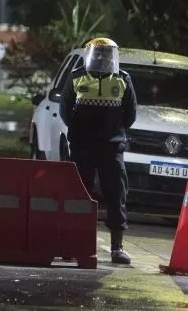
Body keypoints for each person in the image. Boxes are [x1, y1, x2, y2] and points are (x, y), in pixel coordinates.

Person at [60, 37, 137, 265]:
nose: (103, 57)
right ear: (90, 55)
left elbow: (130, 115)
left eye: (107, 53)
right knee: (78, 194)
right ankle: (73, 244)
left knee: (116, 194)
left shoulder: (123, 79)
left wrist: (113, 133)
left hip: (111, 148)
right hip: (83, 146)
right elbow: (66, 111)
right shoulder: (76, 77)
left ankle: (117, 247)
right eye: (99, 53)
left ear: (113, 56)